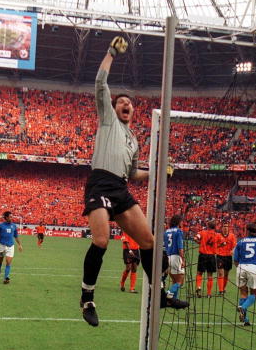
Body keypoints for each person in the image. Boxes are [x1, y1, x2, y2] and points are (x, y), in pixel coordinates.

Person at [79, 36, 188, 327]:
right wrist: (112, 52)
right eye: (121, 102)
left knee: (149, 240)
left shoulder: (133, 141)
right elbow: (101, 83)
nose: (126, 104)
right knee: (101, 240)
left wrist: (155, 172)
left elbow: (131, 175)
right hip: (100, 184)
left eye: (129, 103)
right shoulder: (107, 121)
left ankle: (160, 294)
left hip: (120, 188)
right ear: (113, 108)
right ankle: (87, 298)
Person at [0, 211, 23, 284]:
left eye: (12, 217)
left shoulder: (14, 226)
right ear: (6, 217)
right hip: (2, 245)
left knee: (8, 262)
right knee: (0, 261)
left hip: (10, 246)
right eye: (10, 217)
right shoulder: (0, 225)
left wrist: (19, 245)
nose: (11, 218)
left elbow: (16, 236)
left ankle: (6, 278)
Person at [164, 215, 185, 300]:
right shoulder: (179, 231)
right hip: (176, 257)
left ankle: (174, 299)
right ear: (179, 222)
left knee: (174, 281)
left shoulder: (166, 232)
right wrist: (183, 260)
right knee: (180, 281)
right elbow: (180, 248)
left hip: (168, 257)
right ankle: (169, 293)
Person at [194, 220, 218, 298]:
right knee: (210, 275)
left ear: (208, 226)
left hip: (203, 255)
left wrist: (199, 242)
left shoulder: (202, 232)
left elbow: (195, 238)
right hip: (211, 256)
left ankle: (198, 287)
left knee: (199, 273)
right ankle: (209, 294)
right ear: (215, 227)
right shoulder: (216, 235)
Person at [216, 222, 236, 296]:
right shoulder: (218, 235)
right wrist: (220, 245)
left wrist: (232, 251)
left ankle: (223, 288)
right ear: (222, 228)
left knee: (226, 274)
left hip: (228, 257)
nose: (225, 227)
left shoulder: (232, 236)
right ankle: (220, 290)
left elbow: (234, 246)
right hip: (220, 256)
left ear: (228, 228)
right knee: (221, 273)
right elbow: (215, 245)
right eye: (224, 226)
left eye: (227, 226)